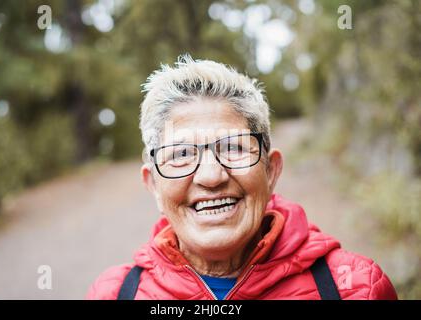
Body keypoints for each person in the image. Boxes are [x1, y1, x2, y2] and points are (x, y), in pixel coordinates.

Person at [86, 55, 397, 300]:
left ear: (271, 170)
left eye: (233, 148)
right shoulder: (113, 295)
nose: (210, 176)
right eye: (181, 155)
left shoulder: (355, 288)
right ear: (153, 184)